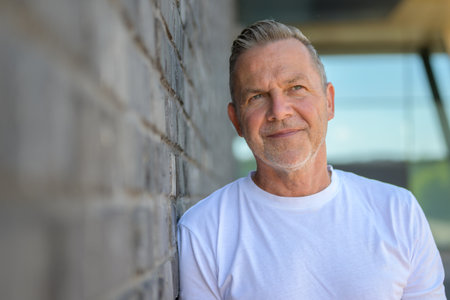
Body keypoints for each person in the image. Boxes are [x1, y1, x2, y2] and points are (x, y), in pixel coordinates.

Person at [177, 20, 446, 299]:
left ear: (329, 102)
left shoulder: (399, 213)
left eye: (296, 88)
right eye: (257, 96)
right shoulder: (205, 230)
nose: (279, 111)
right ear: (236, 121)